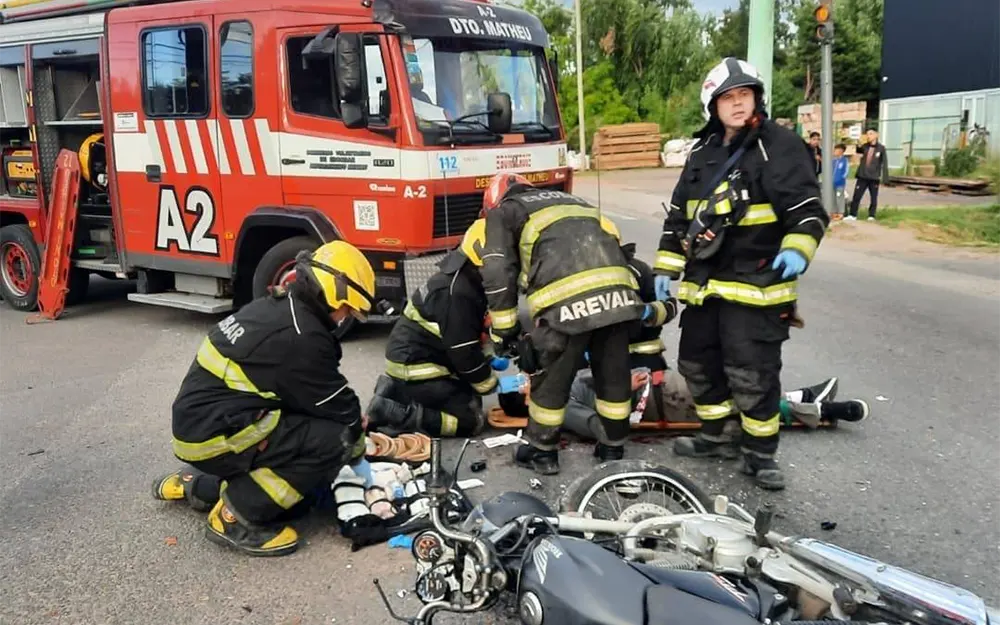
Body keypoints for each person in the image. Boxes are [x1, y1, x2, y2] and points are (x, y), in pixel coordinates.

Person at [651, 57, 830, 491]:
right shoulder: (702, 154)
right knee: (697, 362)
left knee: (753, 371)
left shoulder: (780, 146)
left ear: (757, 98)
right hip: (704, 287)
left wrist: (797, 248)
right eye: (728, 97)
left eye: (744, 95)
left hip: (758, 285)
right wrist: (665, 268)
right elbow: (680, 217)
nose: (737, 104)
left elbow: (808, 210)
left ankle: (760, 453)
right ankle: (717, 434)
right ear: (712, 106)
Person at [151, 241, 379, 557]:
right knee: (332, 440)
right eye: (348, 309)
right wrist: (357, 452)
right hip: (215, 434)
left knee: (304, 445)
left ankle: (200, 485)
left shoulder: (279, 307)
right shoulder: (304, 336)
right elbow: (340, 409)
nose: (344, 318)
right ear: (334, 292)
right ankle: (236, 516)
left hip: (201, 425)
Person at [478, 172, 653, 475]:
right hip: (617, 297)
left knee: (552, 379)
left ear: (493, 201)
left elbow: (498, 269)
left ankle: (542, 452)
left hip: (566, 303)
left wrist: (505, 331)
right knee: (612, 375)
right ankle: (613, 447)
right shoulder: (575, 202)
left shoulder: (504, 212)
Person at [366, 218, 507, 438]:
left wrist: (486, 359)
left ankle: (394, 392)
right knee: (470, 421)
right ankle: (395, 414)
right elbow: (463, 353)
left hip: (422, 359)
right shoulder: (459, 293)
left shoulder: (462, 281)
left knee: (472, 399)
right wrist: (493, 384)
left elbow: (463, 336)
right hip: (416, 368)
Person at [847, 127, 889, 221]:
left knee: (873, 197)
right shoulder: (865, 146)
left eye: (871, 134)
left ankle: (871, 215)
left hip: (874, 177)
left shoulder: (881, 148)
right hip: (862, 176)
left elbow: (884, 163)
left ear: (876, 135)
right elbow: (858, 150)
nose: (868, 136)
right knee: (856, 196)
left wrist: (884, 177)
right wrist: (857, 141)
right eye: (867, 134)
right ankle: (852, 214)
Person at [832, 143, 850, 218]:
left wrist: (842, 178)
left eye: (836, 150)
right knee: (832, 197)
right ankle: (834, 212)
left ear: (841, 151)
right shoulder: (833, 160)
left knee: (839, 197)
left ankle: (841, 212)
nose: (834, 151)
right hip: (832, 182)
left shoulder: (844, 160)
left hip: (840, 183)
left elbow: (846, 171)